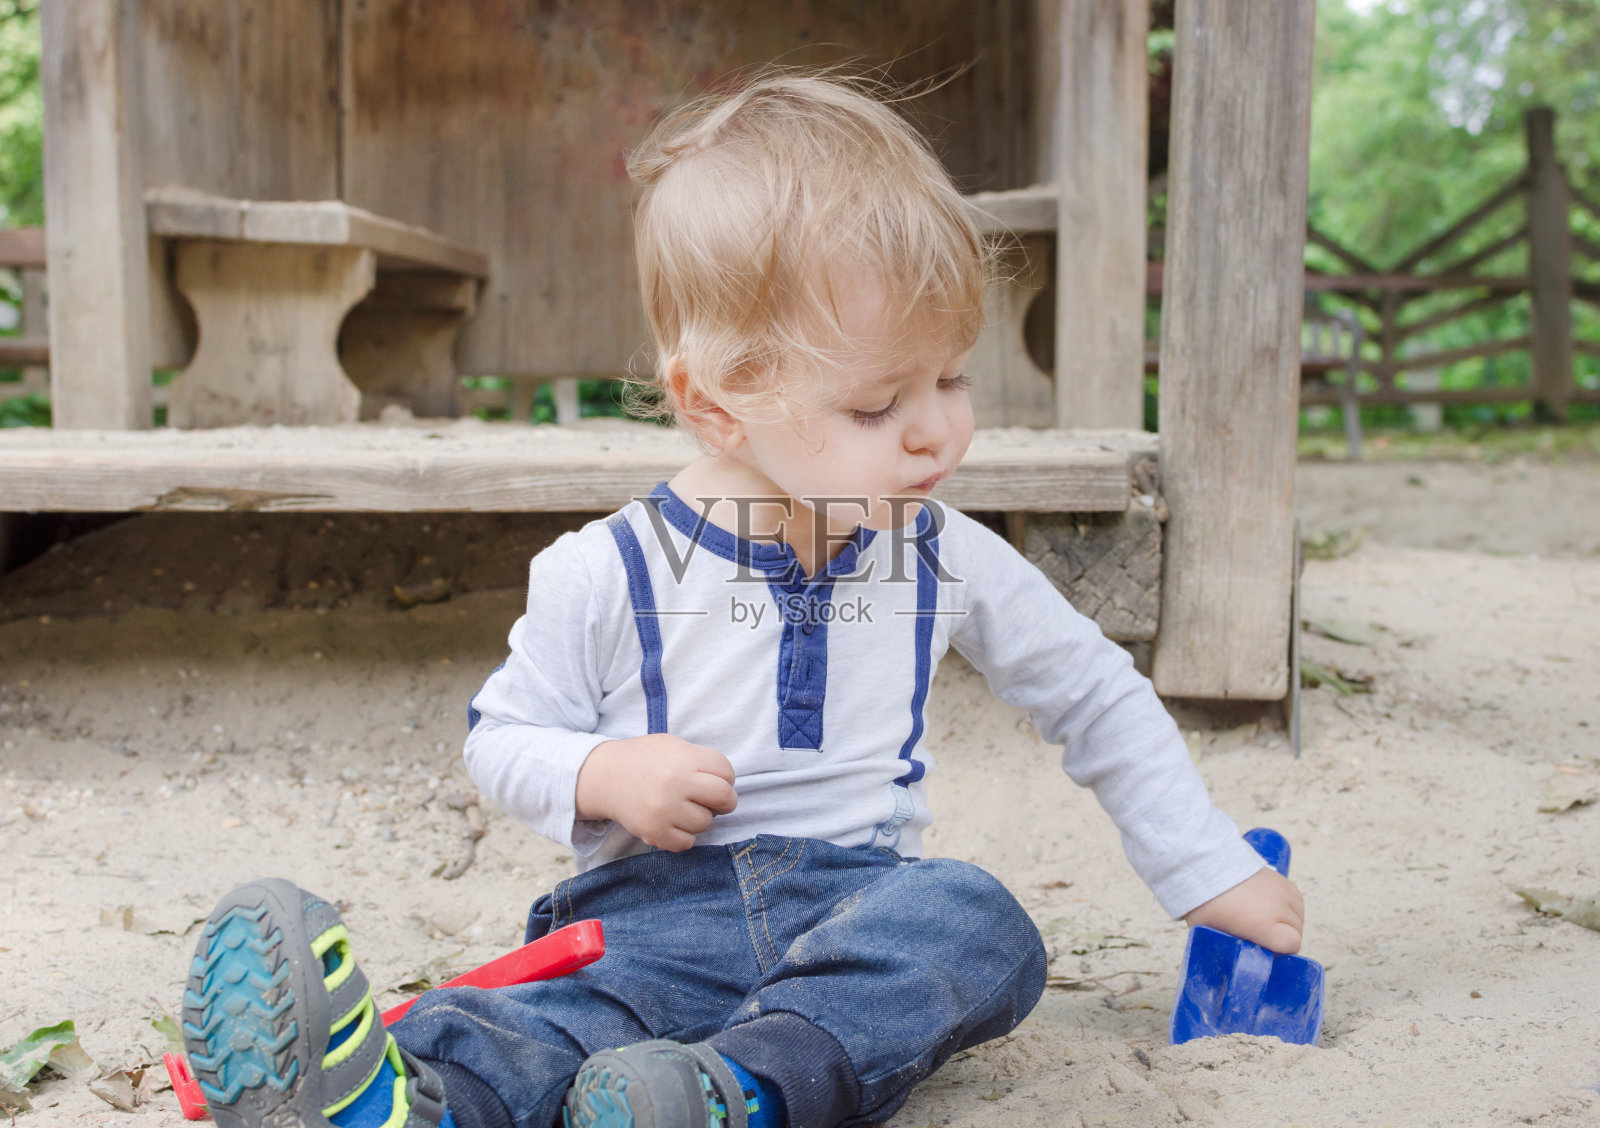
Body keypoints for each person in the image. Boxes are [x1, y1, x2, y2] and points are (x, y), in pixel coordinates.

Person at [179, 70, 1305, 1128]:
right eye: (877, 404)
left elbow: (1091, 693)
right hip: (644, 925)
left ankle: (725, 1095)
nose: (937, 429)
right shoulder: (605, 569)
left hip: (854, 914)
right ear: (717, 403)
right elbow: (501, 739)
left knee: (978, 927)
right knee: (537, 1024)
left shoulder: (940, 552)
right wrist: (602, 773)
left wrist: (1204, 867)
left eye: (952, 376)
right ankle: (394, 1103)